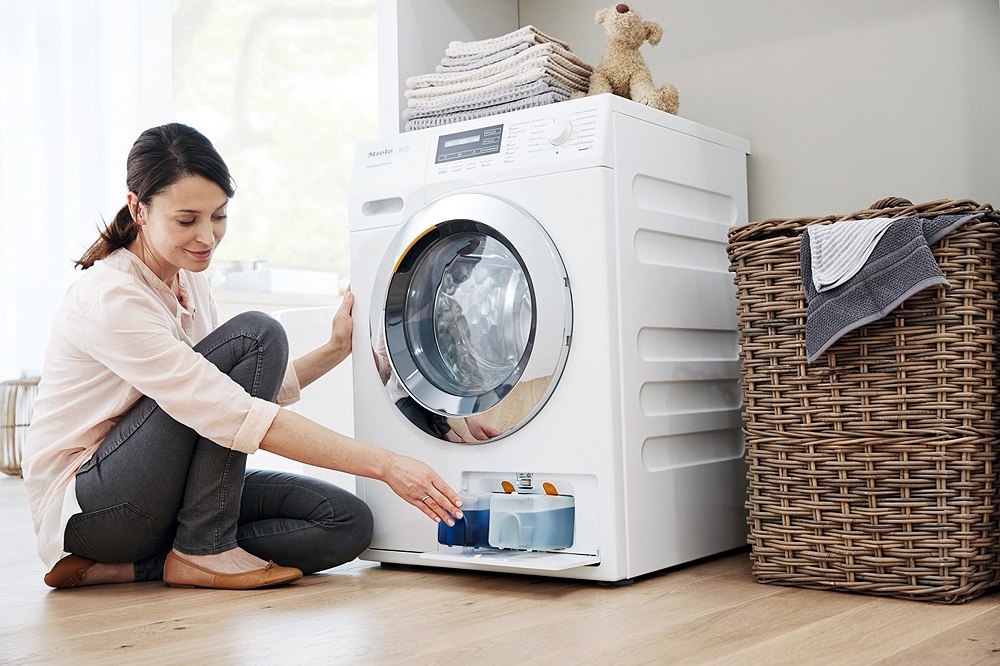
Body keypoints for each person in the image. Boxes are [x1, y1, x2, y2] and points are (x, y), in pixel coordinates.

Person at [22, 122, 463, 591]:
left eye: (218, 216)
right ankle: (202, 548)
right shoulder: (112, 298)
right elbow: (231, 411)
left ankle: (151, 564)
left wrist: (335, 349)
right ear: (138, 209)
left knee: (345, 522)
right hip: (97, 507)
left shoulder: (190, 279)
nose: (207, 237)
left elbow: (229, 395)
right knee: (258, 335)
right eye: (187, 220)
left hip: (162, 494)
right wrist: (387, 465)